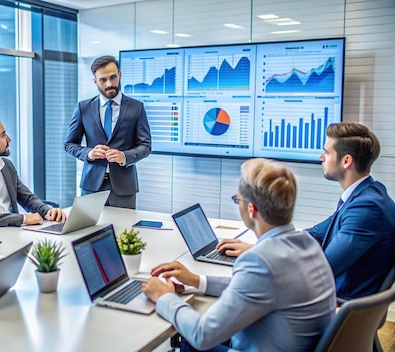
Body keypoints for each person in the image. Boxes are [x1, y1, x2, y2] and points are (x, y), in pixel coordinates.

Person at [141, 158, 336, 352]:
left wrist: (164, 297)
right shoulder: (307, 243)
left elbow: (202, 334)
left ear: (252, 209)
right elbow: (252, 286)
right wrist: (196, 281)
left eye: (238, 200)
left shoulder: (261, 261)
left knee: (190, 341)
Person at [216, 122, 395, 299]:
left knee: (241, 293)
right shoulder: (367, 194)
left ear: (346, 161)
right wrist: (261, 248)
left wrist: (265, 257)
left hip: (337, 305)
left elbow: (322, 269)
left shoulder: (366, 209)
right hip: (335, 296)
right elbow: (316, 234)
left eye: (326, 152)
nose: (321, 157)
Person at [64, 55, 151, 209]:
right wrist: (89, 153)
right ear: (95, 81)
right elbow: (70, 144)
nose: (109, 84)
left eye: (113, 77)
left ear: (120, 75)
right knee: (90, 232)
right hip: (91, 186)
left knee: (124, 232)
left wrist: (124, 156)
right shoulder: (83, 108)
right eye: (103, 80)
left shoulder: (136, 108)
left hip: (124, 188)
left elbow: (145, 145)